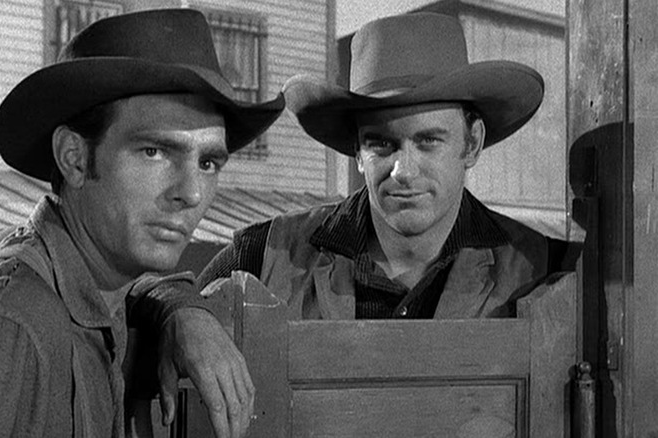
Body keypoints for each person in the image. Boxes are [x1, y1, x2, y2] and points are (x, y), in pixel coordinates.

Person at [0, 9, 284, 438]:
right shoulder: (7, 326)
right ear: (74, 157)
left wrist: (181, 309)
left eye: (207, 162)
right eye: (155, 152)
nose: (192, 193)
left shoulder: (84, 277)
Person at [199, 12, 572, 320]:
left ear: (471, 142)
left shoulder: (546, 269)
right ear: (357, 151)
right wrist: (176, 310)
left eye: (428, 141)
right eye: (382, 144)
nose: (403, 171)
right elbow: (156, 324)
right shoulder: (263, 257)